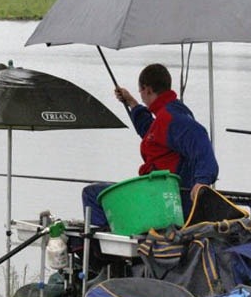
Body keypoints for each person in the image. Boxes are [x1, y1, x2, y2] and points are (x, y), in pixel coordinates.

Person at [82, 63, 219, 229]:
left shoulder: (172, 117)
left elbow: (200, 139)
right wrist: (132, 103)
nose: (141, 96)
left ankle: (103, 248)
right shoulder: (172, 111)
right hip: (156, 193)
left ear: (147, 89)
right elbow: (152, 135)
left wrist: (202, 182)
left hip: (160, 199)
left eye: (141, 92)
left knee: (92, 195)